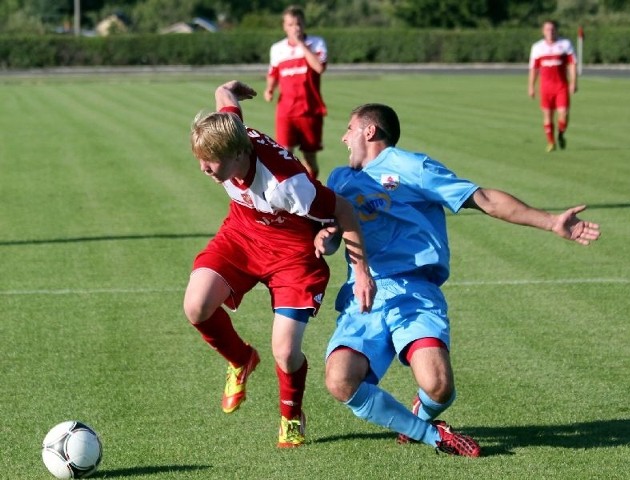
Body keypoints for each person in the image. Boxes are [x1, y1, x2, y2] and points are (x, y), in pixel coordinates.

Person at [315, 103, 601, 457]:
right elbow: (327, 229)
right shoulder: (339, 180)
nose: (344, 137)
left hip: (416, 291)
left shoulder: (412, 167)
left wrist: (550, 221)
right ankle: (431, 436)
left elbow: (483, 199)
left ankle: (423, 413)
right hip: (366, 292)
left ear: (369, 131)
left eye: (349, 129)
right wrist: (325, 239)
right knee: (340, 380)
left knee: (438, 387)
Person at [184, 80, 376, 448]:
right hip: (243, 232)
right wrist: (230, 89)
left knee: (286, 352)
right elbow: (224, 98)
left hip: (293, 251)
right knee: (196, 306)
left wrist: (361, 271)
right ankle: (241, 360)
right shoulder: (230, 132)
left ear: (239, 154)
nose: (204, 169)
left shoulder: (288, 185)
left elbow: (342, 209)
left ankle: (291, 414)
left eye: (211, 163)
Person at [263, 5, 327, 179]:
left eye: (298, 23)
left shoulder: (317, 43)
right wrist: (269, 89)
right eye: (290, 24)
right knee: (284, 154)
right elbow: (273, 72)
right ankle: (291, 195)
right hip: (286, 110)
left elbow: (319, 67)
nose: (295, 28)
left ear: (304, 24)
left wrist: (301, 44)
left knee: (310, 158)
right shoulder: (277, 48)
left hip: (309, 110)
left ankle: (314, 190)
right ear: (284, 26)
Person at [528, 20, 578, 153]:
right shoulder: (537, 47)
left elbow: (572, 64)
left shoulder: (565, 44)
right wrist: (531, 86)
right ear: (543, 31)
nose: (550, 32)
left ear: (556, 30)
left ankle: (561, 133)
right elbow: (534, 68)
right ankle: (551, 142)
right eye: (547, 29)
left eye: (552, 29)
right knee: (548, 116)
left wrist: (574, 82)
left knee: (564, 113)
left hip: (561, 86)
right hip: (545, 88)